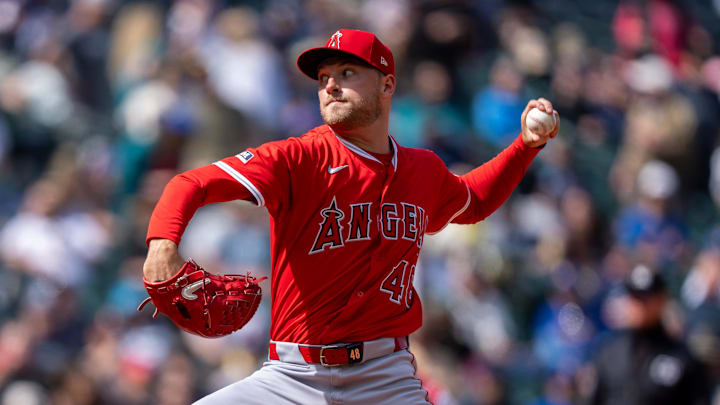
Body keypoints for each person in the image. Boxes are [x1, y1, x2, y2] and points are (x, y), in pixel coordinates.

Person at [142, 29, 559, 404]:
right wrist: (162, 243)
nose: (330, 86)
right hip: (292, 376)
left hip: (385, 377)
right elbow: (190, 184)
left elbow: (474, 200)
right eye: (323, 78)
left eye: (346, 73)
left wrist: (525, 146)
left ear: (387, 84)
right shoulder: (299, 158)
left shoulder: (422, 170)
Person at [587, 264, 712, 405]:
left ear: (661, 300)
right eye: (634, 297)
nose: (638, 305)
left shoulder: (681, 358)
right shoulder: (608, 353)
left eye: (645, 298)